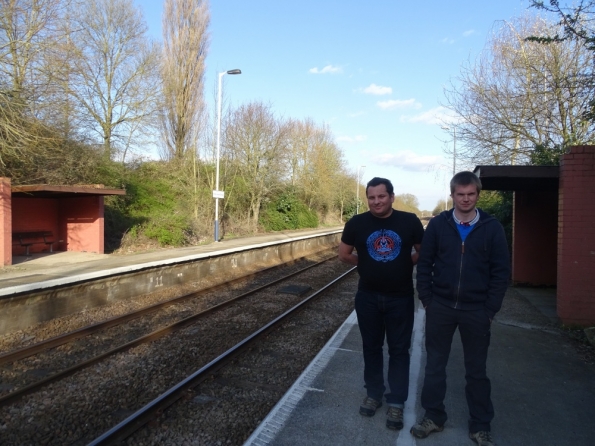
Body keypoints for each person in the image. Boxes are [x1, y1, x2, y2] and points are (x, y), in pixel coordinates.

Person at [411, 171, 510, 446]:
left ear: (477, 195)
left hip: (477, 311)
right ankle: (433, 417)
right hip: (440, 307)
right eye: (460, 194)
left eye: (471, 194)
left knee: (476, 371)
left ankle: (480, 426)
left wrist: (490, 309)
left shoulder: (492, 227)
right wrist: (428, 300)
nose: (465, 199)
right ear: (452, 195)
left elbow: (501, 272)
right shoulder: (439, 225)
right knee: (434, 367)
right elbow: (425, 263)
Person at [338, 177, 424, 430]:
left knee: (399, 350)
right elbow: (343, 254)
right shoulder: (356, 223)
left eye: (381, 196)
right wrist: (367, 264)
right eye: (372, 197)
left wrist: (406, 263)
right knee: (371, 347)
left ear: (392, 197)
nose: (376, 201)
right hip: (368, 297)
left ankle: (396, 402)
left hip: (401, 298)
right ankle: (373, 394)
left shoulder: (409, 221)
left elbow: (425, 249)